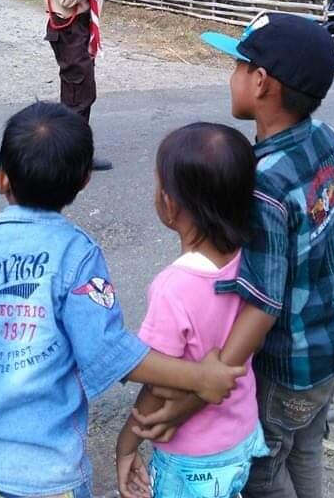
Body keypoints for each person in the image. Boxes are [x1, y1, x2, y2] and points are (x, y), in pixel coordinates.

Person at [0, 101, 244, 498]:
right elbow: (106, 350)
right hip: (46, 473)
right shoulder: (77, 257)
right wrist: (199, 377)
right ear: (85, 181)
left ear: (1, 179)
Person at [132, 12, 334, 498]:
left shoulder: (263, 187)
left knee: (265, 469)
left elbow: (262, 304)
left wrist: (204, 390)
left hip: (286, 367)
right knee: (308, 448)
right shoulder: (331, 141)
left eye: (237, 66)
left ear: (260, 83)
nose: (230, 76)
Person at [116, 122, 269, 498]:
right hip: (243, 435)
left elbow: (158, 384)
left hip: (191, 461)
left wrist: (126, 444)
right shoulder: (252, 260)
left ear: (170, 204)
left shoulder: (174, 289)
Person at [41, 0, 113, 170]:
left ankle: (69, 150)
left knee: (78, 92)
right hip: (69, 30)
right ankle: (73, 156)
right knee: (78, 95)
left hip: (79, 29)